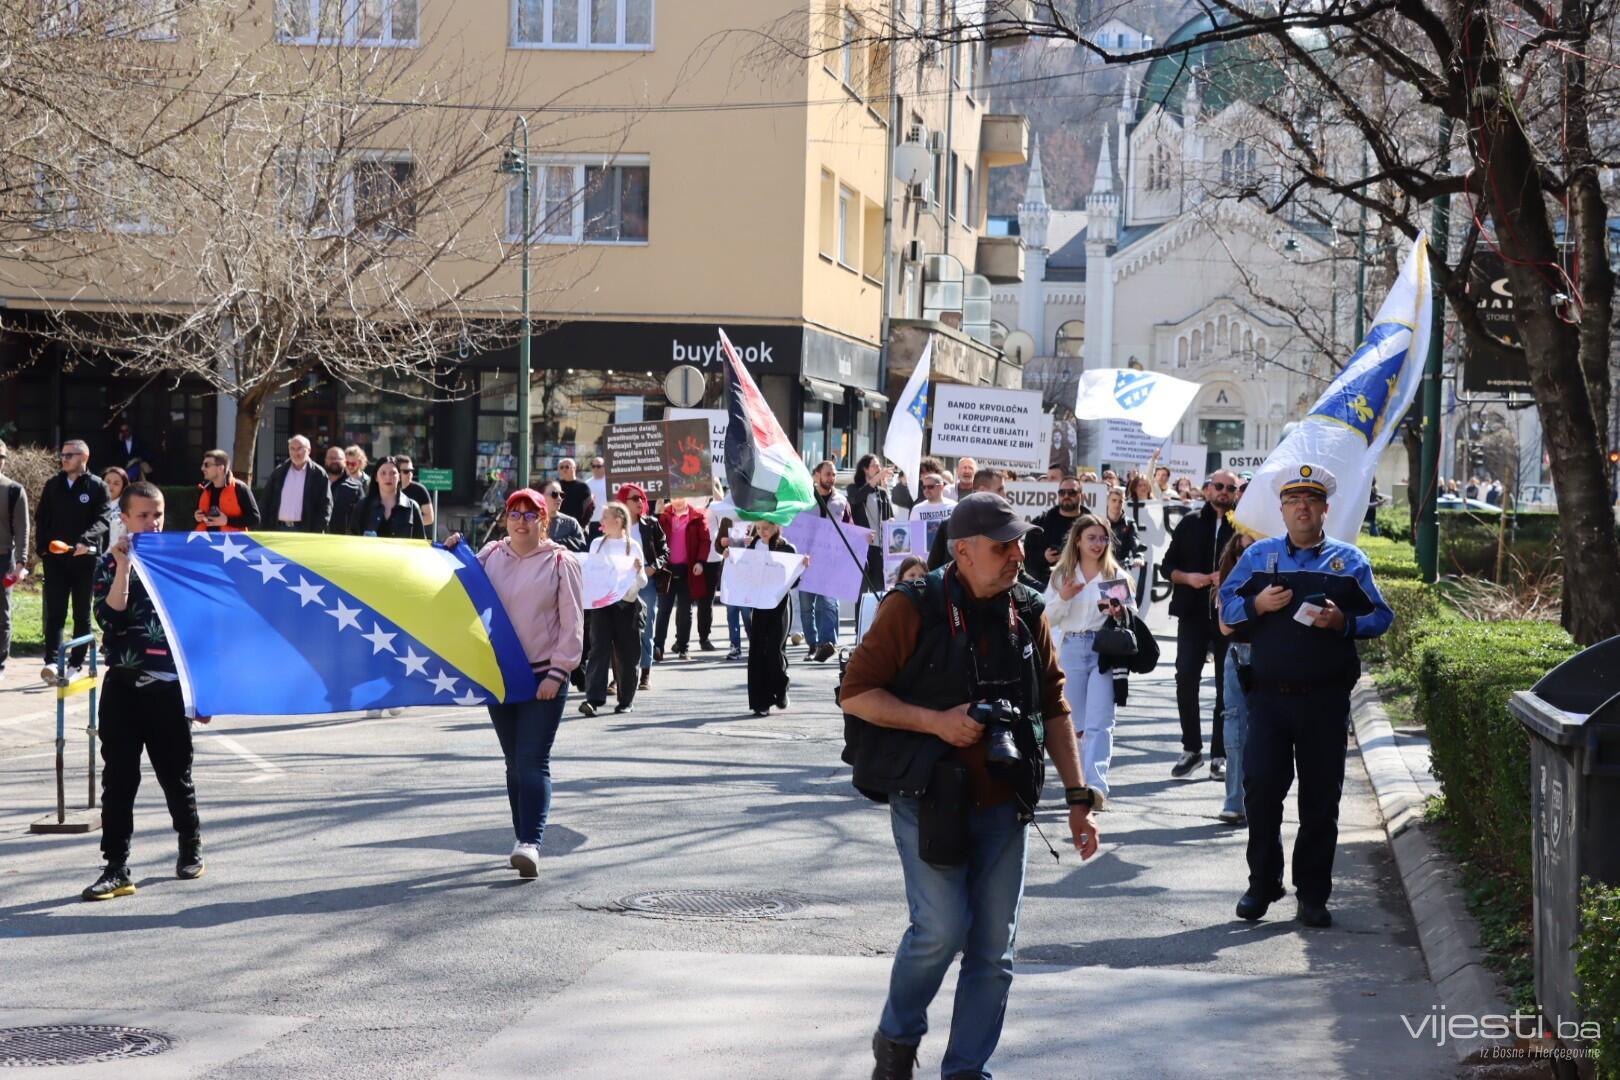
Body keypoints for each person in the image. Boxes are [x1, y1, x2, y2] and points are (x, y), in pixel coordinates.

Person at [841, 493, 1099, 1078]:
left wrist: (1078, 798)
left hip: (1006, 800)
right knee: (940, 930)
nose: (1018, 555)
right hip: (929, 796)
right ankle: (897, 1039)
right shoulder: (913, 606)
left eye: (1019, 544)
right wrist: (936, 722)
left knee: (993, 950)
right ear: (962, 552)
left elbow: (1055, 704)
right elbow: (856, 694)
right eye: (1002, 546)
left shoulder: (1027, 608)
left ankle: (965, 1070)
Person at [1219, 465, 1393, 927]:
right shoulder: (1259, 556)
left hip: (1324, 701)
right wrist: (1256, 604)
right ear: (1282, 510)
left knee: (1319, 800)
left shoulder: (1349, 561)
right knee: (1261, 793)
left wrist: (1344, 623)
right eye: (1294, 501)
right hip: (1268, 700)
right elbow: (1225, 606)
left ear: (1324, 510)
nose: (1302, 508)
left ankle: (1312, 894)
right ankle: (1263, 884)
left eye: (1311, 501)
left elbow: (1382, 616)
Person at [447, 489, 583, 880]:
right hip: (502, 675)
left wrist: (558, 672)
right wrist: (452, 552)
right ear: (506, 519)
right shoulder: (491, 555)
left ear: (544, 521)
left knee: (531, 760)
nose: (521, 521)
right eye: (514, 513)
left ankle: (529, 842)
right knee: (513, 763)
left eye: (530, 514)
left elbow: (573, 624)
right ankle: (521, 835)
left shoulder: (562, 562)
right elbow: (457, 589)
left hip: (544, 677)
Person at [82, 483, 206, 901]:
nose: (153, 523)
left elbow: (198, 630)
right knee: (118, 780)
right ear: (124, 518)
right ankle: (116, 867)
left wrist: (201, 692)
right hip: (123, 686)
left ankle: (190, 844)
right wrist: (123, 567)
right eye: (143, 516)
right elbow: (110, 620)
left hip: (168, 690)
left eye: (158, 515)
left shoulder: (180, 565)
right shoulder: (108, 563)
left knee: (175, 776)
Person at [1043, 512, 1134, 802]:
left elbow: (1131, 618)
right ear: (1078, 541)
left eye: (1103, 538)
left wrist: (1119, 611)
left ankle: (1096, 786)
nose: (1097, 544)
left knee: (1100, 720)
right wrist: (1064, 596)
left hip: (1104, 650)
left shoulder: (1114, 576)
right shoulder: (1062, 575)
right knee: (1076, 725)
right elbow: (1047, 619)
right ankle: (1079, 783)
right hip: (1071, 647)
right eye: (1091, 538)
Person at [1159, 470, 1238, 780]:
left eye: (1230, 487)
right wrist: (1188, 578)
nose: (1224, 491)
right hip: (1192, 614)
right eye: (1219, 486)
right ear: (1208, 489)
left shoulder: (1242, 527)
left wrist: (1229, 578)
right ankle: (1192, 749)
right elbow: (1167, 566)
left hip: (1227, 617)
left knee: (1224, 686)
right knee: (1185, 679)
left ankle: (1220, 754)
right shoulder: (1190, 522)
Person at [36, 439, 111, 681]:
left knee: (81, 614)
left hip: (85, 560)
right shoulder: (53, 485)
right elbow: (42, 518)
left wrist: (86, 541)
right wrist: (43, 549)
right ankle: (51, 662)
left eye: (69, 455)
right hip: (55, 560)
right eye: (63, 455)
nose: (64, 459)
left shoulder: (97, 486)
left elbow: (103, 519)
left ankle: (76, 664)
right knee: (55, 612)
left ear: (84, 458)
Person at [580, 501, 647, 716]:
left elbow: (642, 580)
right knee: (598, 649)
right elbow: (593, 573)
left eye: (605, 517)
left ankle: (625, 700)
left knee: (627, 653)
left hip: (626, 606)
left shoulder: (633, 546)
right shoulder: (597, 544)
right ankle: (593, 699)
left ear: (618, 521)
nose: (600, 521)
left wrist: (637, 571)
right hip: (602, 605)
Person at [1215, 531, 1257, 826]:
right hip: (1237, 656)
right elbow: (1225, 627)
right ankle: (1234, 802)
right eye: (1240, 551)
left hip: (1272, 657)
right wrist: (1257, 604)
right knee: (1235, 729)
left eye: (1253, 549)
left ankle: (1260, 799)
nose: (1246, 556)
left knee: (1267, 731)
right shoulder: (1229, 584)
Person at [800, 460, 852, 662]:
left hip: (831, 561)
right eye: (828, 474)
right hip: (806, 561)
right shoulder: (804, 499)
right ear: (817, 475)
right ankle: (812, 644)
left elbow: (850, 528)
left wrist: (863, 538)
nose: (832, 478)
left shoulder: (841, 501)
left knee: (829, 602)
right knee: (807, 607)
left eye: (834, 474)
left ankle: (826, 644)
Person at [745, 520, 799, 716]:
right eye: (758, 528)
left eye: (766, 528)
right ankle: (761, 701)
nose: (762, 532)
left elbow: (794, 581)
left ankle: (781, 687)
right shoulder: (754, 546)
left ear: (776, 526)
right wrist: (730, 556)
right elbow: (743, 567)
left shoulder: (787, 548)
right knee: (758, 650)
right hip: (759, 604)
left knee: (775, 648)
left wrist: (801, 566)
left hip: (779, 605)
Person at [621, 485, 666, 690]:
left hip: (646, 580)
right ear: (623, 501)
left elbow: (665, 550)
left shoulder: (651, 524)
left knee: (646, 625)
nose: (640, 501)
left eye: (641, 498)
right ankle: (620, 675)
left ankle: (645, 672)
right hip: (622, 582)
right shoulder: (616, 526)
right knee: (621, 628)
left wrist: (653, 567)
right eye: (634, 498)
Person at [656, 495, 712, 660]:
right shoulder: (664, 515)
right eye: (675, 497)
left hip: (688, 570)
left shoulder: (697, 516)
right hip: (666, 570)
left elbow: (705, 541)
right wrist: (657, 515)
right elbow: (654, 537)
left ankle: (683, 647)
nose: (678, 501)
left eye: (681, 497)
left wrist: (701, 562)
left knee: (685, 611)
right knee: (663, 609)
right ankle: (658, 647)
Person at [925, 466, 1006, 571]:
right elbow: (933, 569)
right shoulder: (949, 526)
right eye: (1000, 489)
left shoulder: (1005, 526)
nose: (1004, 495)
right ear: (982, 491)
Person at [0, 441, 30, 676]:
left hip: (3, 559)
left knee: (2, 613)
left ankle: (0, 662)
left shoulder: (13, 490)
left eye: (0, 457)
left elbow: (22, 529)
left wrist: (21, 563)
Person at [261, 436, 333, 534]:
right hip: (278, 529)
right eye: (292, 449)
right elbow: (266, 502)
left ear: (309, 450)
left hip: (306, 531)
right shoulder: (279, 472)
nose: (296, 453)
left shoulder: (318, 474)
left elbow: (326, 505)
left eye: (299, 449)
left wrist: (318, 530)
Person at [848, 453, 895, 597]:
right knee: (861, 592)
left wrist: (890, 522)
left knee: (878, 591)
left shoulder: (882, 492)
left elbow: (890, 515)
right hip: (862, 546)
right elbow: (855, 499)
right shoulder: (854, 488)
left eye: (879, 466)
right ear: (865, 469)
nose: (879, 469)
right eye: (874, 466)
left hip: (878, 547)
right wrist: (877, 478)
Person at [349, 457, 426, 539]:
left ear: (399, 477)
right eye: (383, 473)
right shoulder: (363, 506)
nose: (388, 477)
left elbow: (420, 542)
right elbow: (352, 539)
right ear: (376, 477)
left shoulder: (412, 507)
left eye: (393, 473)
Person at [1028, 476, 1082, 588]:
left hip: (1082, 585)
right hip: (1046, 586)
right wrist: (1044, 557)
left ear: (1081, 495)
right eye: (1062, 492)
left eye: (1072, 492)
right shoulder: (1040, 523)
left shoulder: (1091, 525)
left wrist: (1072, 557)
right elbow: (1027, 557)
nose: (1066, 496)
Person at [194, 450, 261, 534]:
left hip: (232, 541)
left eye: (207, 465)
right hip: (207, 540)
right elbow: (197, 515)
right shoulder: (204, 489)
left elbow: (255, 519)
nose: (202, 468)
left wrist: (227, 521)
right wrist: (197, 516)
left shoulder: (240, 488)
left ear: (220, 468)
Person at [907, 469, 957, 573]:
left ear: (941, 487)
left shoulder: (953, 506)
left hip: (947, 558)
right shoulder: (917, 509)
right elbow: (911, 536)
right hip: (924, 560)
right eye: (924, 487)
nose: (926, 490)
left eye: (930, 487)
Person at [325, 447, 365, 533]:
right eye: (331, 458)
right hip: (319, 536)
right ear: (326, 461)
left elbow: (362, 516)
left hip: (344, 538)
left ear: (344, 461)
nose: (334, 461)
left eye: (338, 458)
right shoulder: (318, 483)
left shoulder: (355, 487)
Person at [541, 482, 589, 552]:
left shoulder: (571, 523)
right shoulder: (532, 521)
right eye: (554, 494)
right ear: (541, 496)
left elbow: (582, 546)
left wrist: (556, 543)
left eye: (561, 495)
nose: (559, 498)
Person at [394, 455, 436, 530]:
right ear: (396, 472)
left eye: (411, 471)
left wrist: (407, 524)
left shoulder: (419, 490)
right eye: (406, 471)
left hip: (414, 534)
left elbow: (429, 518)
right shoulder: (387, 489)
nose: (410, 474)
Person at [109, 419, 155, 483]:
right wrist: (119, 442)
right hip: (123, 468)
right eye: (122, 431)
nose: (125, 433)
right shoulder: (119, 444)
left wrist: (137, 459)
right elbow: (115, 457)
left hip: (136, 466)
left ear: (130, 430)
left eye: (126, 430)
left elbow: (147, 455)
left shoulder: (138, 441)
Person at [1104, 487, 1140, 567]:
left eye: (1120, 501)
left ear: (1124, 503)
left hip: (1121, 566)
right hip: (1102, 564)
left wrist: (1138, 557)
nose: (1117, 504)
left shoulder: (1129, 523)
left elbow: (1135, 544)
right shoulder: (1099, 521)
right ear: (1107, 501)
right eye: (1114, 500)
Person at [555, 458, 595, 524]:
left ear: (574, 468)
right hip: (559, 525)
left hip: (578, 525)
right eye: (561, 467)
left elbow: (589, 507)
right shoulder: (556, 486)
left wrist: (583, 525)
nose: (564, 469)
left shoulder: (583, 486)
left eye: (567, 467)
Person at [102, 467, 130, 547]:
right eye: (107, 482)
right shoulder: (92, 503)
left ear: (123, 486)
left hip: (116, 552)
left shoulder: (127, 507)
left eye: (116, 483)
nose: (110, 486)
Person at [585, 457, 608, 525]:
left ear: (605, 467)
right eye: (593, 466)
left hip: (608, 520)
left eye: (598, 466)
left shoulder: (610, 482)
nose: (595, 468)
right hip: (592, 521)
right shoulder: (586, 484)